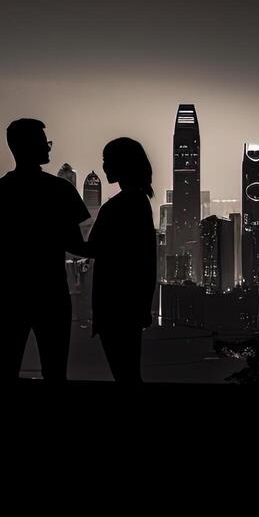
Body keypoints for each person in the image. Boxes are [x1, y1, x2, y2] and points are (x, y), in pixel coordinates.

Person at [0, 118, 91, 380]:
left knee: (5, 370)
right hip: (51, 295)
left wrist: (7, 288)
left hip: (10, 297)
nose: (48, 149)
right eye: (44, 143)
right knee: (55, 371)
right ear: (29, 146)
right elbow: (76, 245)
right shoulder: (60, 190)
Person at [84, 137, 157, 383]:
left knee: (124, 374)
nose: (104, 166)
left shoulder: (120, 205)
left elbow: (91, 247)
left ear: (123, 164)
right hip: (131, 307)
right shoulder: (140, 202)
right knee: (128, 373)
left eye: (107, 160)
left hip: (115, 306)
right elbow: (147, 261)